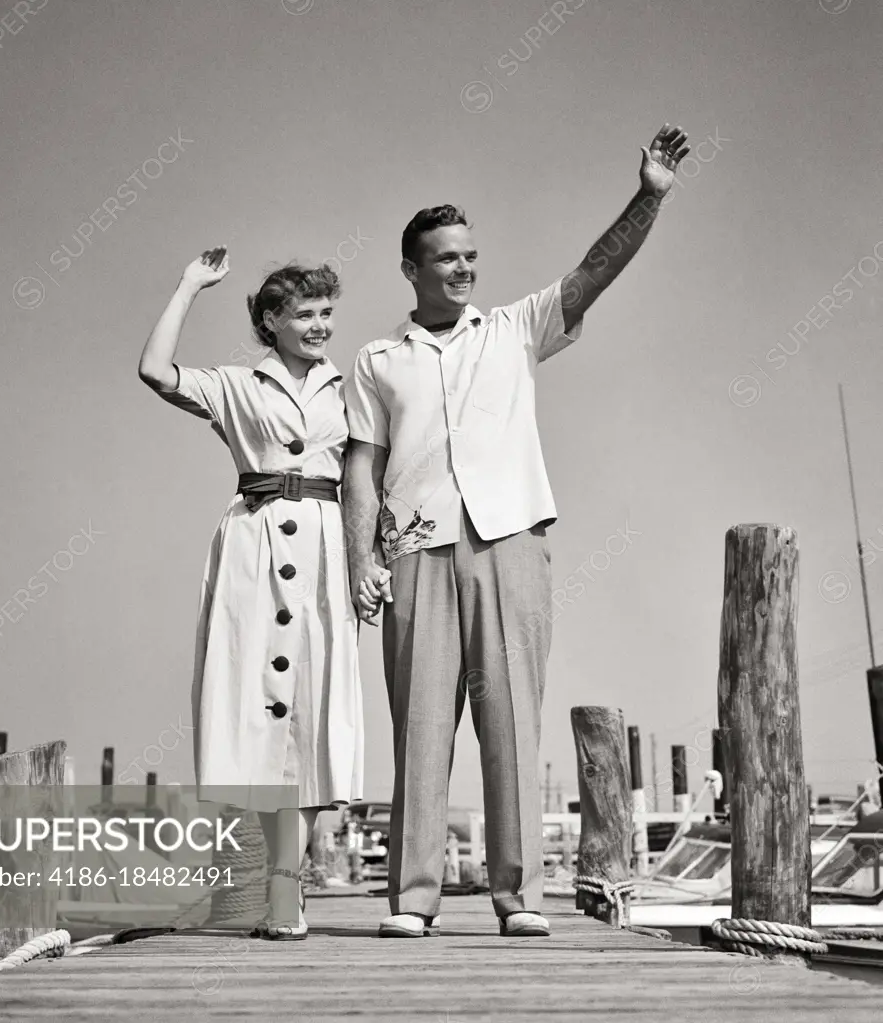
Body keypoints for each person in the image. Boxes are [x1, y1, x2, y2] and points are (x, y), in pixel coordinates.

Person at [343, 124, 690, 937]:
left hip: (510, 544)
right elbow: (359, 465)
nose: (464, 267)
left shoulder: (513, 328)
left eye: (470, 254)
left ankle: (518, 897)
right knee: (421, 728)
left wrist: (648, 194)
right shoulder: (376, 360)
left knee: (509, 722)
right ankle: (413, 899)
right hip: (416, 549)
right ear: (410, 269)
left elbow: (593, 272)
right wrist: (361, 556)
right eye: (446, 257)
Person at [138, 249, 365, 940]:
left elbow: (367, 476)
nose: (320, 325)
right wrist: (188, 285)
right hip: (254, 547)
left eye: (326, 312)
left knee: (315, 720)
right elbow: (154, 370)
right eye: (304, 313)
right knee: (261, 725)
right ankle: (282, 895)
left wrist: (370, 556)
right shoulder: (238, 385)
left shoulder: (349, 388)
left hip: (326, 549)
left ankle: (286, 893)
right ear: (270, 321)